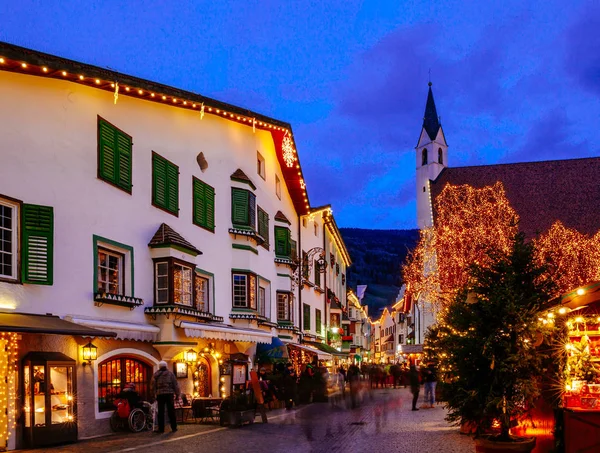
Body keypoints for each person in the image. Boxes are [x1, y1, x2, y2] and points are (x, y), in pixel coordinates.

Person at [152, 361, 180, 433]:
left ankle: (161, 429)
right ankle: (174, 427)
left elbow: (152, 386)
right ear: (166, 366)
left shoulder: (156, 375)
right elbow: (175, 384)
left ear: (159, 367)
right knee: (171, 411)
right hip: (169, 394)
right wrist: (177, 394)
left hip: (160, 394)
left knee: (161, 412)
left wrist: (154, 394)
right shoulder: (171, 374)